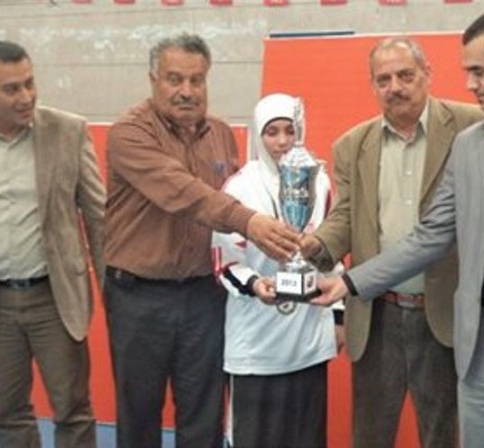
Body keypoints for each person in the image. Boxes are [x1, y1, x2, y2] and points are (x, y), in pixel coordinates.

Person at [313, 8, 484, 447]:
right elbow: (430, 235)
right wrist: (349, 283)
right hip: (477, 351)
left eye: (479, 71)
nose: (470, 84)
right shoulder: (470, 145)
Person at [104, 34, 299, 448]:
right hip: (139, 299)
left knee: (205, 415)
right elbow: (183, 192)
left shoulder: (222, 134)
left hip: (205, 297)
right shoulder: (129, 133)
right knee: (139, 416)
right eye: (175, 79)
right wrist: (250, 222)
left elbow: (236, 201)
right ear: (153, 80)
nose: (187, 91)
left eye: (197, 80)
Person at [300, 37, 484, 448]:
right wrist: (316, 246)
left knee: (443, 435)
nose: (395, 87)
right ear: (372, 85)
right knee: (370, 436)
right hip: (376, 316)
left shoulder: (473, 126)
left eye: (405, 75)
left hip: (443, 314)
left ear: (427, 74)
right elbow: (345, 216)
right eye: (383, 80)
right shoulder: (352, 145)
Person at [0, 41, 105, 448]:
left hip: (55, 297)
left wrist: (115, 295)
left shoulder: (68, 131)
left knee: (73, 409)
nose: (26, 97)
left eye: (30, 84)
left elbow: (98, 218)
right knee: (7, 413)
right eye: (11, 88)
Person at [211, 93, 343, 448]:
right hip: (256, 344)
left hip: (309, 340)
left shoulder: (318, 180)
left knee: (305, 439)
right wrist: (255, 284)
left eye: (290, 130)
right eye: (272, 132)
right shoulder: (239, 187)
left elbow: (332, 252)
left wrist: (338, 316)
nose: (282, 141)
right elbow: (224, 261)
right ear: (258, 134)